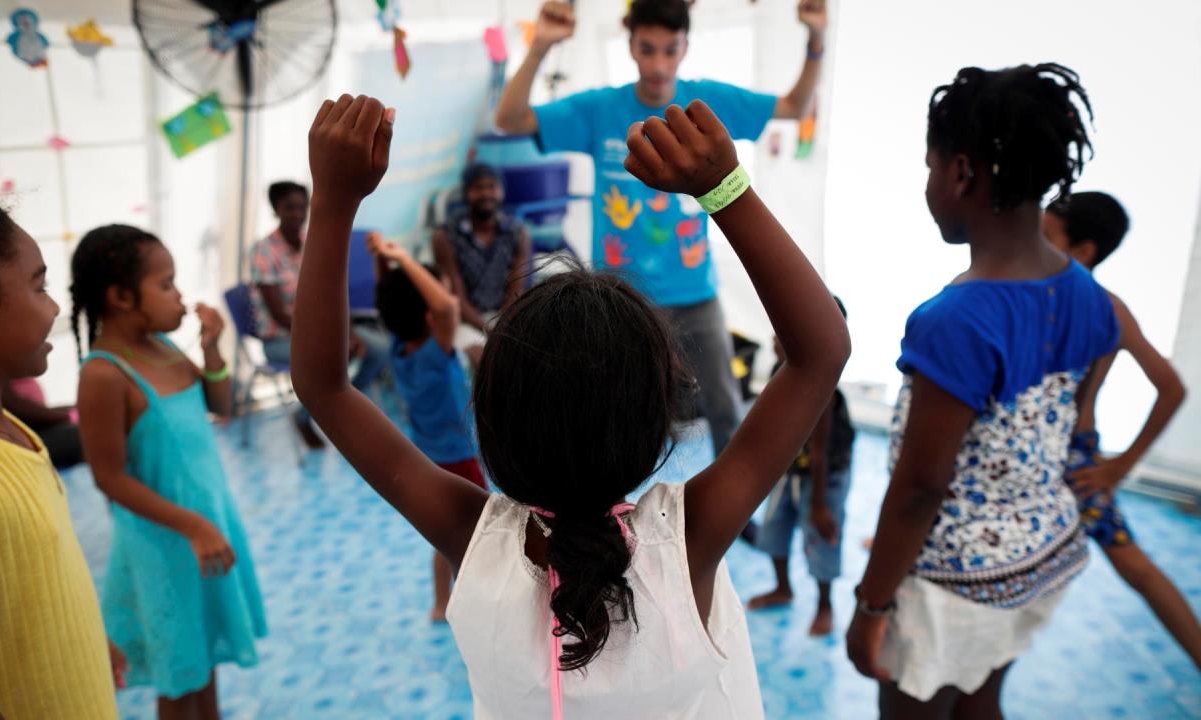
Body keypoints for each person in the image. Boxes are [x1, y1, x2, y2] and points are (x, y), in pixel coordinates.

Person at [291, 94, 848, 718]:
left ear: (493, 421)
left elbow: (325, 389)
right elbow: (821, 351)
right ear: (656, 425)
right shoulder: (687, 542)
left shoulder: (475, 541)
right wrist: (725, 188)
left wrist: (333, 202)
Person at [846, 64, 1120, 718]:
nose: (929, 180)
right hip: (1038, 557)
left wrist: (872, 605)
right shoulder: (1087, 292)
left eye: (929, 165)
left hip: (954, 587)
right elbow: (1081, 386)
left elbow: (920, 491)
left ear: (962, 173)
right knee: (981, 701)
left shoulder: (956, 321)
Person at [494, 0, 829, 458]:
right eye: (647, 49)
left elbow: (794, 106)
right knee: (614, 410)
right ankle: (609, 508)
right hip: (622, 296)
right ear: (629, 44)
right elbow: (509, 118)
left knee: (725, 406)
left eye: (670, 50)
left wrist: (815, 41)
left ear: (685, 46)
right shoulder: (601, 108)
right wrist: (541, 46)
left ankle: (739, 515)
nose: (658, 65)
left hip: (695, 290)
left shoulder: (704, 105)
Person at [0, 179, 122, 719]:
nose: (54, 305)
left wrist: (84, 641)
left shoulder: (7, 427)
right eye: (38, 287)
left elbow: (25, 590)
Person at [72, 224, 267, 720]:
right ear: (119, 296)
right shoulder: (104, 374)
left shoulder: (164, 347)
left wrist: (212, 349)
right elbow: (109, 479)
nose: (179, 295)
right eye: (166, 285)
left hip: (205, 530)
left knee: (204, 662)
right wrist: (192, 526)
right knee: (180, 675)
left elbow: (221, 405)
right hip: (165, 543)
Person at [1043, 191, 1200, 668]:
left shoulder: (1099, 308)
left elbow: (1171, 388)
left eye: (1045, 235)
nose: (1031, 242)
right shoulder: (1087, 303)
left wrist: (1119, 468)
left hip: (1070, 459)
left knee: (1135, 566)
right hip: (1062, 455)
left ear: (1084, 250)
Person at [369, 233, 484, 621]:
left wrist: (384, 264)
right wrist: (400, 254)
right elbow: (448, 307)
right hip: (461, 460)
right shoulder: (437, 354)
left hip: (428, 458)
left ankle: (441, 602)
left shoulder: (399, 350)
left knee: (444, 536)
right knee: (474, 533)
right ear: (430, 318)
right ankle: (474, 601)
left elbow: (392, 302)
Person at [250, 180, 389, 448]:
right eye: (289, 207)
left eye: (303, 206)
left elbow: (337, 291)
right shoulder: (263, 250)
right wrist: (332, 339)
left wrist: (347, 333)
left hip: (326, 332)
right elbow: (278, 313)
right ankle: (328, 413)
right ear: (275, 209)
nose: (298, 213)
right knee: (335, 355)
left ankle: (314, 414)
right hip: (282, 339)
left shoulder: (314, 242)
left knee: (380, 349)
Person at [747, 296, 855, 637]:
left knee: (822, 536)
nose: (772, 340)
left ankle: (825, 605)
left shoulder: (822, 386)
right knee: (774, 528)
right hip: (791, 470)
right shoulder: (780, 373)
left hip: (825, 476)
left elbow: (821, 452)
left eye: (782, 333)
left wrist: (820, 506)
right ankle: (783, 588)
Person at [432, 164, 531, 352]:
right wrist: (490, 330)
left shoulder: (518, 232)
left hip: (507, 318)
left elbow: (517, 288)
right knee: (480, 355)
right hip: (464, 321)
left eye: (492, 186)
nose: (486, 194)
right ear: (466, 193)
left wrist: (503, 326)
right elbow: (456, 297)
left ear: (502, 191)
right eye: (478, 187)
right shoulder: (446, 236)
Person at [2, 376, 83, 469]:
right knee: (86, 436)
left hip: (34, 429)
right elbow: (16, 408)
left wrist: (73, 411)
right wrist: (69, 416)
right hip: (23, 438)